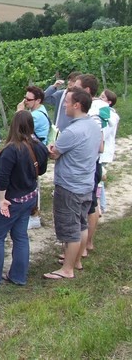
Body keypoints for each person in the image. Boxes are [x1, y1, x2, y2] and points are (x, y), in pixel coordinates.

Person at [0, 111, 48, 286]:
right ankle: (18, 275)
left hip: (8, 199)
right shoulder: (39, 146)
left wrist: (1, 200)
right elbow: (41, 170)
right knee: (20, 236)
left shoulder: (11, 150)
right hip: (27, 197)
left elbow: (2, 179)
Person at [44, 87, 102, 280]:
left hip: (69, 186)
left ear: (77, 105)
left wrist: (50, 148)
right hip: (86, 183)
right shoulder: (93, 125)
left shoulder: (72, 131)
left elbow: (54, 153)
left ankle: (67, 269)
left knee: (70, 230)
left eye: (67, 102)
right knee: (81, 224)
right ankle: (76, 261)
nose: (65, 105)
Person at [74, 74, 108, 256]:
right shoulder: (101, 108)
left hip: (90, 164)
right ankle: (84, 245)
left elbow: (99, 145)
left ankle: (85, 246)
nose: (73, 90)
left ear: (86, 91)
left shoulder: (93, 112)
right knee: (89, 205)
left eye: (77, 87)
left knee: (90, 207)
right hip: (92, 163)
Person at [16, 85, 50, 230]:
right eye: (25, 98)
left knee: (30, 182)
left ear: (38, 100)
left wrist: (19, 112)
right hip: (34, 150)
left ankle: (33, 215)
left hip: (33, 152)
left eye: (29, 99)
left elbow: (18, 126)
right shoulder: (40, 111)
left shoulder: (35, 116)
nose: (26, 101)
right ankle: (31, 213)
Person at [97, 89, 120, 214]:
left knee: (99, 178)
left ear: (109, 102)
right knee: (99, 178)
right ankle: (102, 205)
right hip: (102, 151)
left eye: (103, 97)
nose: (100, 99)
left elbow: (104, 133)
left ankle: (101, 206)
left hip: (104, 152)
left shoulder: (111, 116)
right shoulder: (102, 113)